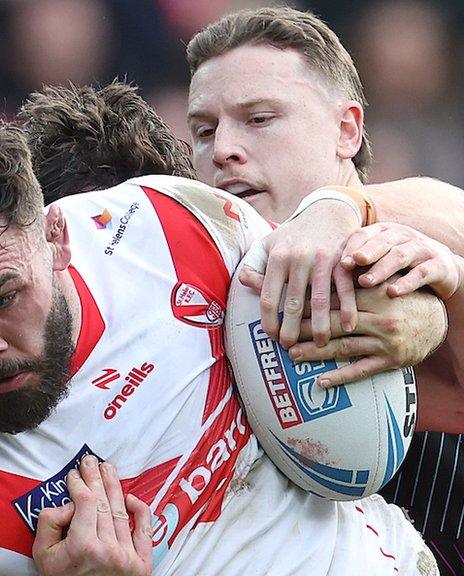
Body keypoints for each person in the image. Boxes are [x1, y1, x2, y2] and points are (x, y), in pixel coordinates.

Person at [0, 99, 443, 575]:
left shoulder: (167, 223)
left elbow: (368, 240)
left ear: (58, 238)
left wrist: (422, 313)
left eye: (2, 298)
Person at [185, 7, 464, 572]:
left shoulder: (402, 254)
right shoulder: (204, 296)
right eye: (204, 130)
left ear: (347, 130)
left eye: (259, 118)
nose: (223, 151)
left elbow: (450, 208)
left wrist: (342, 206)